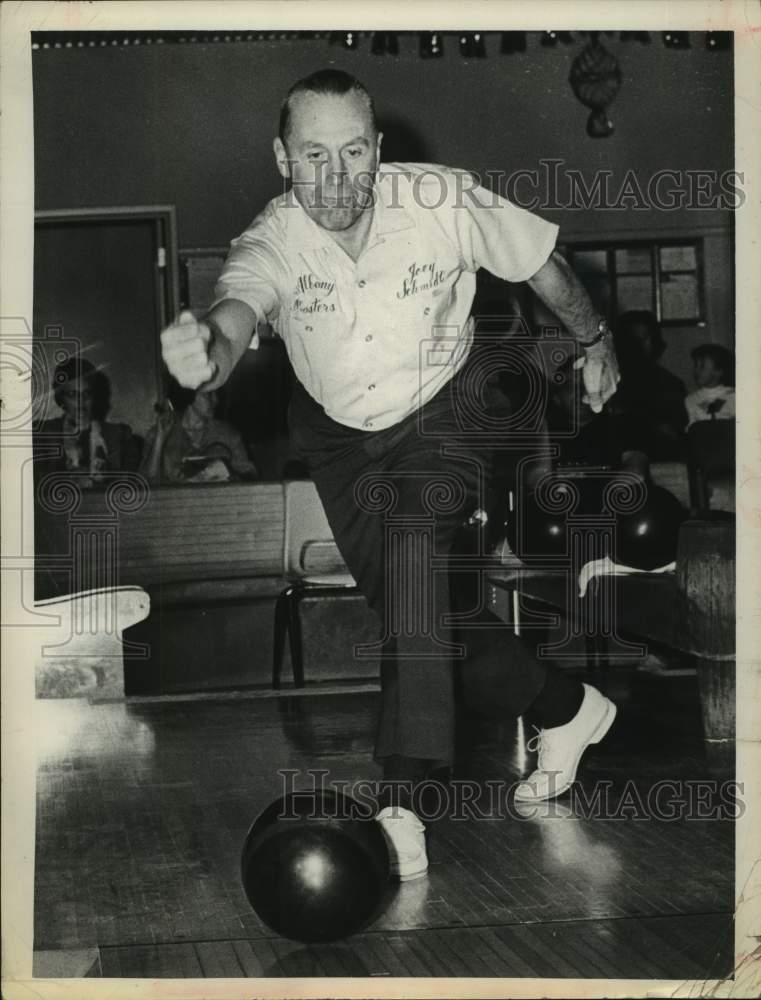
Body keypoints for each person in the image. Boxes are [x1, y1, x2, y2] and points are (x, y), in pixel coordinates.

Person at [160, 69, 621, 881]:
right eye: (313, 157)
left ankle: (403, 801)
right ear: (281, 157)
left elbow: (540, 261)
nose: (336, 179)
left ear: (376, 150)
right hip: (338, 439)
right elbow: (235, 309)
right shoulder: (269, 240)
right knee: (425, 622)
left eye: (351, 154)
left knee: (414, 567)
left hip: (448, 406)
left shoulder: (440, 199)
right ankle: (567, 707)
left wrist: (592, 340)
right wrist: (208, 353)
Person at [34, 356, 142, 484]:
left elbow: (131, 485)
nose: (81, 401)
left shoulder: (119, 435)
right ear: (61, 398)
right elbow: (35, 483)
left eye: (87, 394)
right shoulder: (43, 433)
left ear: (94, 396)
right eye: (72, 394)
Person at [139, 388, 259, 484]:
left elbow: (251, 476)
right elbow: (146, 483)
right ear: (189, 396)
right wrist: (160, 438)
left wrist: (230, 473)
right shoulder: (160, 432)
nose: (216, 400)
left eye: (216, 394)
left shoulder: (227, 434)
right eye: (208, 394)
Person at [613, 310, 688, 461]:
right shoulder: (610, 381)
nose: (641, 344)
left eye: (646, 337)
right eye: (635, 339)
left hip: (657, 459)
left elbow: (675, 432)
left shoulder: (670, 383)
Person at [684, 343, 735, 428]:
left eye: (702, 366)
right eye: (696, 365)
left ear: (718, 371)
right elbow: (692, 429)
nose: (696, 370)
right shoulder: (690, 399)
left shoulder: (734, 395)